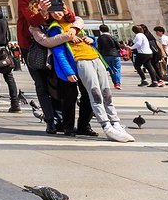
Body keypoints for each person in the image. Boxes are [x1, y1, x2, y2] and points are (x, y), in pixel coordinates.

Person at [41, 10, 131, 142]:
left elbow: (87, 41)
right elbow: (59, 52)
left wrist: (92, 40)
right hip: (78, 63)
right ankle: (79, 127)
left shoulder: (75, 24)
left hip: (94, 58)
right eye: (53, 13)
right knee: (85, 95)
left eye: (59, 11)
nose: (57, 14)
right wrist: (69, 72)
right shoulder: (55, 28)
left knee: (105, 93)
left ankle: (112, 123)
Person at [17, 0, 67, 131]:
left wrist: (65, 12)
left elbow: (69, 18)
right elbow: (31, 20)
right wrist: (43, 12)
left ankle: (60, 117)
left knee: (57, 81)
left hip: (53, 43)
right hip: (32, 46)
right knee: (41, 83)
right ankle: (50, 120)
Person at [95, 24, 123, 89]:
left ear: (100, 30)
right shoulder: (113, 37)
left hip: (105, 55)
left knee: (110, 70)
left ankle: (114, 82)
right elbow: (118, 46)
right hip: (115, 55)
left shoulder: (100, 38)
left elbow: (99, 48)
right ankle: (117, 83)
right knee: (116, 69)